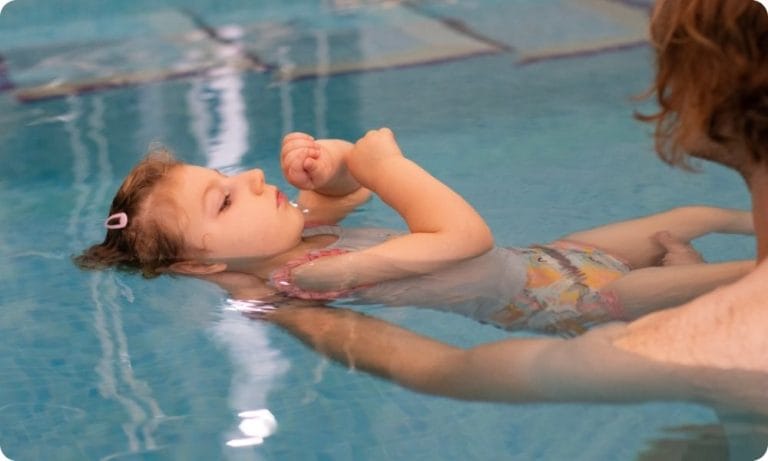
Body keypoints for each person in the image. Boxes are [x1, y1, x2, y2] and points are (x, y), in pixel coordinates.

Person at [249, 0, 768, 457]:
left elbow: (447, 351)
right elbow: (336, 205)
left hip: (550, 291)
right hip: (551, 268)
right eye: (223, 200)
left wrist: (365, 171)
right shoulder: (296, 258)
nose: (252, 176)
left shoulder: (676, 347)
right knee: (676, 230)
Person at [76, 128, 753, 336]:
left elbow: (352, 193)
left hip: (553, 257)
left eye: (228, 172)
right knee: (735, 281)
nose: (253, 175)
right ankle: (679, 269)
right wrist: (391, 165)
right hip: (560, 304)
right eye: (225, 200)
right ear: (198, 266)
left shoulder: (295, 234)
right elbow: (465, 236)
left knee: (686, 218)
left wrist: (333, 165)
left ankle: (711, 236)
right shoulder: (306, 276)